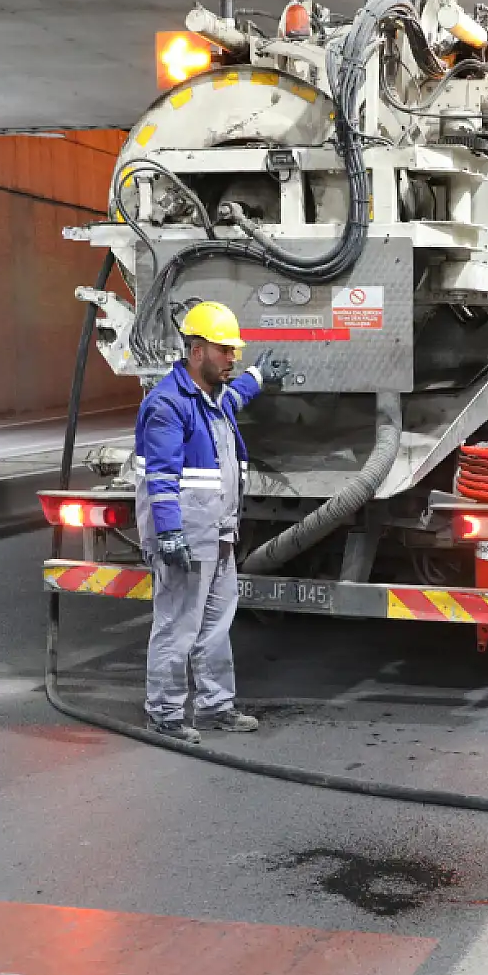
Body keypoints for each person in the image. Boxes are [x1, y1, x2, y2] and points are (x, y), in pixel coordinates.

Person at [135, 300, 290, 743]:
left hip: (219, 534)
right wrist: (168, 533)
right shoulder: (167, 405)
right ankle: (164, 714)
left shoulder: (210, 398)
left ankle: (215, 707)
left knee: (216, 626)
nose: (232, 357)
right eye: (225, 350)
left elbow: (234, 397)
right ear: (197, 349)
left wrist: (257, 378)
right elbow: (160, 479)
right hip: (186, 537)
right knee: (177, 625)